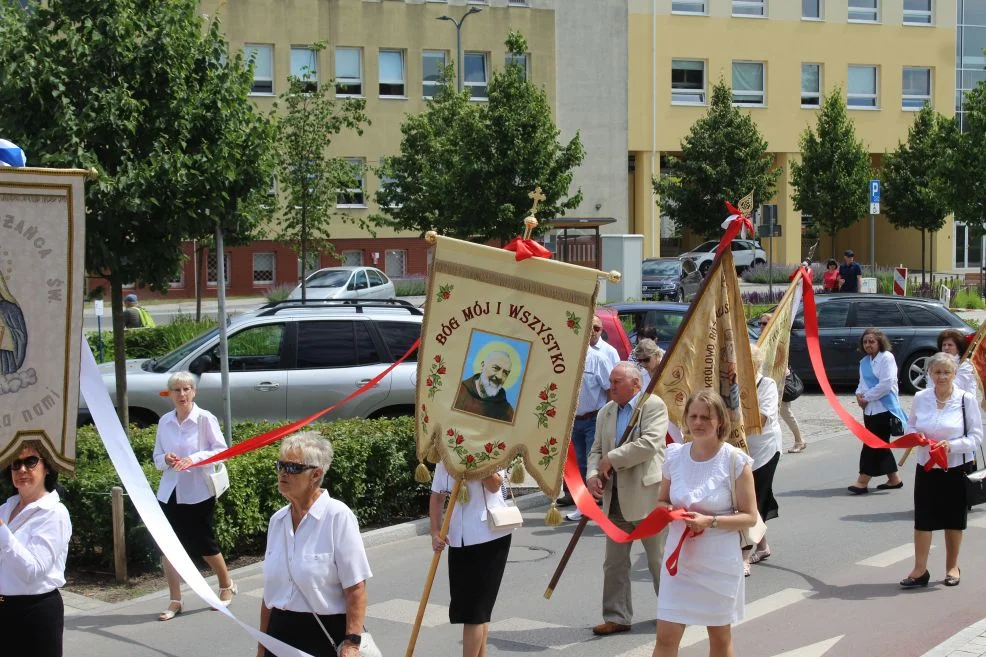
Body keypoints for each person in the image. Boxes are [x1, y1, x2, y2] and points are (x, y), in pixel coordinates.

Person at [653, 390, 757, 657]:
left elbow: (750, 516)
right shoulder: (674, 455)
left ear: (720, 420)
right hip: (679, 562)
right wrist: (670, 512)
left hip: (718, 561)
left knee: (720, 638)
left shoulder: (734, 460)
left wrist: (709, 521)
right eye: (693, 416)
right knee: (666, 636)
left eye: (705, 417)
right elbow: (661, 501)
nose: (698, 423)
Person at [258, 432, 371, 657]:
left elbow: (356, 588)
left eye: (292, 468)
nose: (282, 472)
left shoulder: (338, 516)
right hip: (279, 635)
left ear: (316, 474)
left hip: (323, 637)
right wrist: (262, 646)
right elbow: (269, 595)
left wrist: (352, 643)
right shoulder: (277, 521)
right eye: (281, 465)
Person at [586, 362, 668, 636]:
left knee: (658, 559)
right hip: (615, 497)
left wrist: (613, 458)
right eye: (610, 380)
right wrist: (593, 474)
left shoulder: (652, 405)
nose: (611, 386)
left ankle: (672, 612)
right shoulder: (606, 412)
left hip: (647, 497)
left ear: (635, 384)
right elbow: (596, 449)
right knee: (614, 562)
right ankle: (617, 616)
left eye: (617, 381)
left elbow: (649, 444)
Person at [153, 371, 236, 621]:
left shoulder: (205, 419)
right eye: (176, 390)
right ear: (170, 394)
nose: (182, 394)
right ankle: (175, 599)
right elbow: (157, 457)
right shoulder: (165, 421)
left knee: (204, 544)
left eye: (187, 389)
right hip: (170, 492)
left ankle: (225, 584)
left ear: (194, 392)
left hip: (199, 491)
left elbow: (221, 451)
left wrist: (195, 458)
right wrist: (166, 459)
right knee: (168, 547)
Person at [899, 353, 983, 589]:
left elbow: (976, 437)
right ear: (929, 374)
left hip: (956, 466)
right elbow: (911, 425)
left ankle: (952, 567)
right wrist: (918, 436)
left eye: (947, 372)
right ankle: (919, 569)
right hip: (926, 465)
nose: (942, 376)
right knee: (923, 518)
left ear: (954, 374)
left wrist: (951, 445)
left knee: (953, 519)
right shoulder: (920, 397)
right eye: (937, 372)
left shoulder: (966, 400)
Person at [430, 463, 512, 657]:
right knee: (472, 611)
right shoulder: (447, 454)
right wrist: (435, 531)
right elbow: (437, 496)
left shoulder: (490, 448)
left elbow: (494, 485)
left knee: (475, 613)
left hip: (490, 536)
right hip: (459, 538)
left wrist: (475, 461)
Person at [0, 444, 72, 657]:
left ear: (47, 467)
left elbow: (33, 570)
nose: (22, 470)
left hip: (34, 613)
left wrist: (2, 531)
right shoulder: (5, 508)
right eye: (16, 463)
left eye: (31, 462)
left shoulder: (55, 513)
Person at [564, 317, 615, 520]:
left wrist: (610, 417)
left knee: (593, 463)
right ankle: (585, 506)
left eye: (595, 328)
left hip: (594, 419)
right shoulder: (566, 357)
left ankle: (595, 504)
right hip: (574, 420)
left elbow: (610, 389)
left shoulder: (598, 358)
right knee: (580, 465)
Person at [850, 328, 906, 494]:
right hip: (869, 410)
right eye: (865, 342)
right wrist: (859, 395)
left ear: (879, 342)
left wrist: (866, 397)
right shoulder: (864, 362)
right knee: (879, 444)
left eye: (872, 341)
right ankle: (894, 479)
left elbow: (886, 384)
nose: (868, 345)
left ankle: (863, 480)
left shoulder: (887, 358)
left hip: (885, 408)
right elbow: (861, 383)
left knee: (872, 445)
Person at [743, 346, 783, 576]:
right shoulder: (733, 386)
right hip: (743, 450)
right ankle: (763, 545)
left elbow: (762, 418)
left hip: (765, 449)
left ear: (755, 364)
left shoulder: (765, 385)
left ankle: (744, 557)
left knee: (753, 501)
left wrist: (733, 417)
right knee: (750, 499)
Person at [757, 314, 806, 453]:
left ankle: (799, 440)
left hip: (778, 382)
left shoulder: (777, 340)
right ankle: (774, 444)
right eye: (760, 323)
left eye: (765, 324)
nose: (761, 326)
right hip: (766, 382)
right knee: (773, 414)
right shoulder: (761, 339)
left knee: (785, 412)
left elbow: (779, 361)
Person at [453, 350, 515, 422]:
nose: (500, 376)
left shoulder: (507, 411)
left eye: (505, 373)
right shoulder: (458, 391)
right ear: (483, 365)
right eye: (495, 368)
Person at [938, 329, 977, 396]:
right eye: (944, 345)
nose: (946, 348)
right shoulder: (937, 363)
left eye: (950, 345)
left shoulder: (965, 365)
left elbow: (957, 388)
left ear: (958, 348)